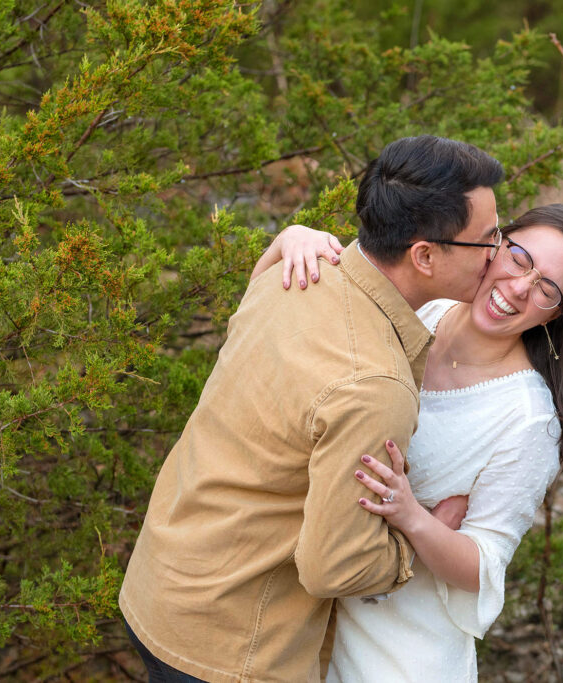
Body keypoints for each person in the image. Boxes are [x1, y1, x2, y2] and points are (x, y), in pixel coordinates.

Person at [118, 135, 505, 682]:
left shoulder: (298, 271)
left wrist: (290, 234)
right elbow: (337, 566)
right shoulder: (373, 383)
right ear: (424, 254)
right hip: (234, 643)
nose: (499, 254)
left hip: (160, 585)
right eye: (487, 240)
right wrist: (417, 544)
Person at [257, 203, 563, 681]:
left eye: (547, 289)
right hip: (301, 616)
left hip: (400, 649)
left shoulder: (529, 418)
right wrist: (293, 238)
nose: (518, 288)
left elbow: (485, 566)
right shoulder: (425, 306)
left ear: (559, 312)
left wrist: (412, 518)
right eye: (518, 258)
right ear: (494, 243)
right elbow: (275, 323)